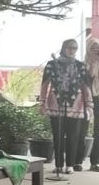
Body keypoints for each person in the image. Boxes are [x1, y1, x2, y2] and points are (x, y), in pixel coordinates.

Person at [40, 39, 93, 174]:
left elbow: (86, 87)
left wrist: (89, 106)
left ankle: (70, 164)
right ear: (63, 48)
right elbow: (45, 84)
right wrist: (42, 102)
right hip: (56, 105)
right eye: (69, 47)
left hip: (76, 106)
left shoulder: (80, 66)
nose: (72, 50)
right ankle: (58, 165)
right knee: (57, 136)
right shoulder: (52, 64)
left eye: (75, 48)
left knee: (73, 137)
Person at [85, 37, 99, 172]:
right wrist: (94, 62)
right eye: (93, 48)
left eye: (97, 47)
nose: (95, 50)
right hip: (90, 97)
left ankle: (95, 162)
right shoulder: (85, 62)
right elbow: (89, 77)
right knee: (94, 129)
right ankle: (93, 162)